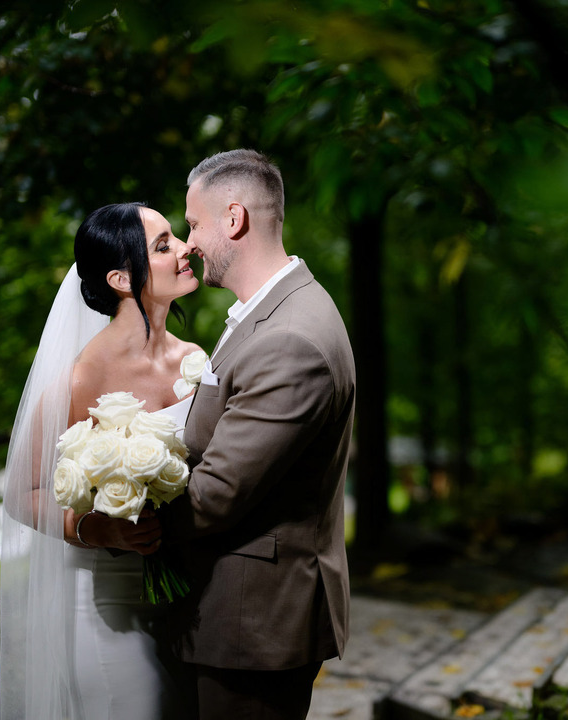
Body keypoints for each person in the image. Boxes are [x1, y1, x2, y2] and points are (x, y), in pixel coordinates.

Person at [0, 202, 202, 720]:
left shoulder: (196, 362)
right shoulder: (79, 378)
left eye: (176, 237)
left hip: (186, 600)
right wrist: (97, 529)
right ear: (119, 278)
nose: (186, 249)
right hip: (107, 603)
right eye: (163, 245)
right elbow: (22, 494)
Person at [173, 149, 355, 719]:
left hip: (252, 624)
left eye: (194, 223)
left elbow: (213, 498)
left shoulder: (290, 340)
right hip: (244, 614)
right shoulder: (274, 313)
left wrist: (110, 517)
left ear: (234, 220)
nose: (188, 243)